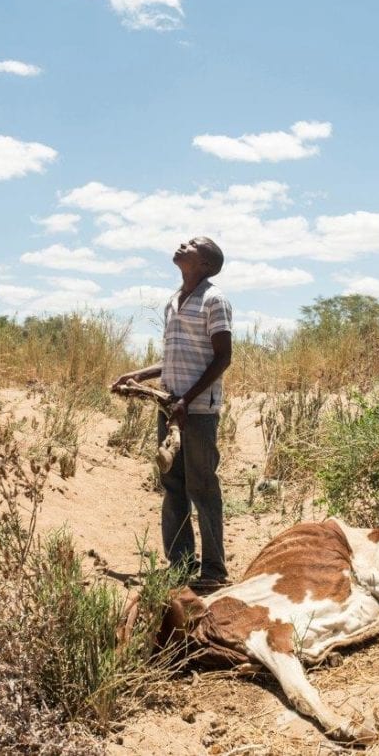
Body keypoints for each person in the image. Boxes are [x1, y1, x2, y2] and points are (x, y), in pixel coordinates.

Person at [112, 236, 232, 593]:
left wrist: (187, 400)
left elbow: (222, 358)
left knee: (202, 486)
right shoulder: (172, 302)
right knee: (173, 485)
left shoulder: (215, 300)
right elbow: (174, 360)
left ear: (206, 265)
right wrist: (139, 375)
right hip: (170, 407)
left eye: (193, 245)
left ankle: (213, 569)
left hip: (197, 411)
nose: (183, 244)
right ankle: (180, 565)